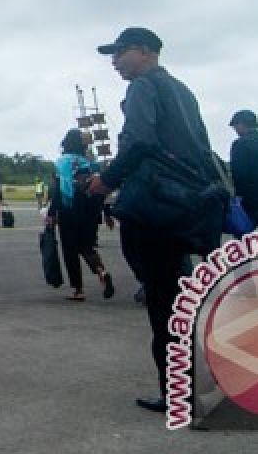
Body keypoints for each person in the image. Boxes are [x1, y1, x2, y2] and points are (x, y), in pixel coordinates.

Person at [85, 27, 216, 415]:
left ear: (145, 52)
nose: (114, 61)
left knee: (162, 302)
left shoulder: (143, 87)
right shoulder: (183, 91)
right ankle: (190, 385)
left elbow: (138, 140)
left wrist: (106, 180)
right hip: (183, 207)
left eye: (120, 52)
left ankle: (177, 394)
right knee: (180, 297)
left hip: (155, 208)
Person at [47, 129, 114, 302]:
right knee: (87, 247)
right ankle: (102, 271)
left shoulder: (61, 163)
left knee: (70, 250)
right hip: (90, 211)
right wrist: (105, 213)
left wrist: (51, 213)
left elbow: (58, 190)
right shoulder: (90, 163)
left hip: (68, 211)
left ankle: (78, 290)